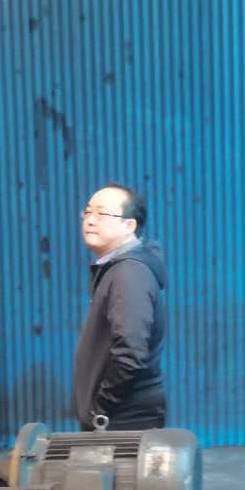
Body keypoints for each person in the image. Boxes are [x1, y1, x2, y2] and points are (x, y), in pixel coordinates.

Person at [71, 183, 167, 430]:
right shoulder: (118, 270)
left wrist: (100, 409)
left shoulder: (129, 274)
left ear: (129, 225)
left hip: (123, 420)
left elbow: (130, 354)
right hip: (118, 417)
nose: (90, 220)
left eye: (101, 213)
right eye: (88, 212)